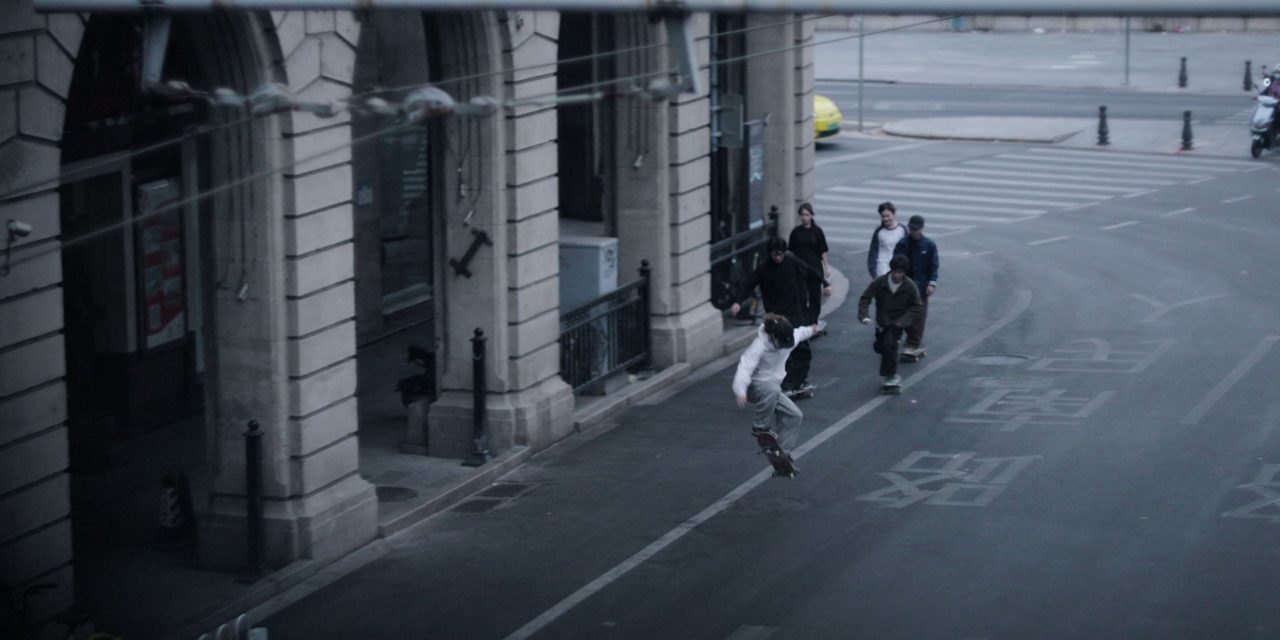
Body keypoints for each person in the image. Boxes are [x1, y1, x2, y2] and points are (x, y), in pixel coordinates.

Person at [728, 236, 828, 396]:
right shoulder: (763, 269)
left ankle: (798, 380)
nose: (778, 258)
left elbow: (810, 271)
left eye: (781, 254)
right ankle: (785, 381)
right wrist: (737, 302)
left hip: (793, 313)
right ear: (770, 253)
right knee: (779, 350)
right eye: (775, 255)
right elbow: (748, 284)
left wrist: (825, 283)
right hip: (775, 317)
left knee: (801, 348)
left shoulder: (792, 262)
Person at [732, 313, 821, 456]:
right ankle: (760, 428)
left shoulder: (789, 338)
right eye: (781, 344)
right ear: (773, 337)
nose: (783, 348)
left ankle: (782, 454)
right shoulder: (759, 346)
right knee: (773, 389)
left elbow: (802, 332)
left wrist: (813, 329)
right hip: (752, 388)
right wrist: (740, 389)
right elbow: (745, 367)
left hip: (771, 391)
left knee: (795, 415)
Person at [857, 254, 922, 388]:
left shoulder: (910, 286)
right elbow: (865, 298)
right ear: (891, 270)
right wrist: (864, 315)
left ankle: (890, 375)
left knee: (889, 344)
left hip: (897, 322)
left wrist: (903, 321)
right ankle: (882, 351)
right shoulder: (879, 283)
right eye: (895, 272)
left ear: (904, 273)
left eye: (900, 272)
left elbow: (916, 305)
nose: (897, 275)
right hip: (882, 321)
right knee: (880, 346)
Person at [892, 214, 939, 358]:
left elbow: (934, 266)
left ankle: (913, 343)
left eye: (916, 229)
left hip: (921, 287)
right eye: (911, 229)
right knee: (902, 314)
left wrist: (932, 283)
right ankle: (904, 339)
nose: (913, 232)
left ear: (921, 229)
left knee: (919, 316)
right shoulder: (902, 244)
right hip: (904, 286)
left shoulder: (929, 245)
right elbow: (895, 263)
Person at [787, 202, 833, 327]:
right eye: (802, 215)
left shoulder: (817, 231)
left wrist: (826, 267)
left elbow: (823, 250)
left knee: (815, 296)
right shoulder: (796, 232)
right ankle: (804, 321)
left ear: (811, 215)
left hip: (815, 267)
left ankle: (813, 321)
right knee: (801, 296)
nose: (804, 217)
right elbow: (791, 251)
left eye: (807, 215)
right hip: (800, 268)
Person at [866, 201, 907, 280]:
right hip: (882, 268)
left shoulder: (902, 230)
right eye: (883, 216)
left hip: (899, 268)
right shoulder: (879, 232)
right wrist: (873, 273)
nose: (885, 219)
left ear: (894, 214)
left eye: (888, 216)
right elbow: (873, 252)